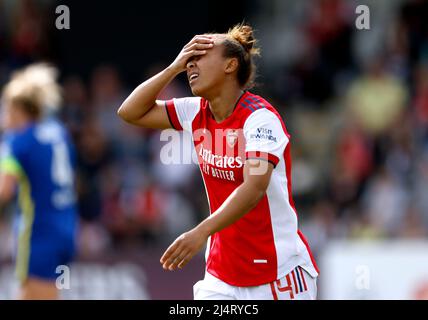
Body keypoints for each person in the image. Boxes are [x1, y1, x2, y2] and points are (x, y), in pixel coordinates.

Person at [118, 24, 319, 300]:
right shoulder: (195, 111)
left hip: (277, 274)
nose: (191, 65)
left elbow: (254, 188)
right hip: (221, 277)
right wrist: (172, 68)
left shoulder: (260, 119)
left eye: (200, 57)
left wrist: (201, 232)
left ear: (230, 65)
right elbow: (129, 111)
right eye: (189, 59)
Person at [0, 64, 77, 299]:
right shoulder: (58, 132)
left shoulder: (17, 142)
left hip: (38, 233)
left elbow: (4, 191)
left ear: (18, 109)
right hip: (66, 229)